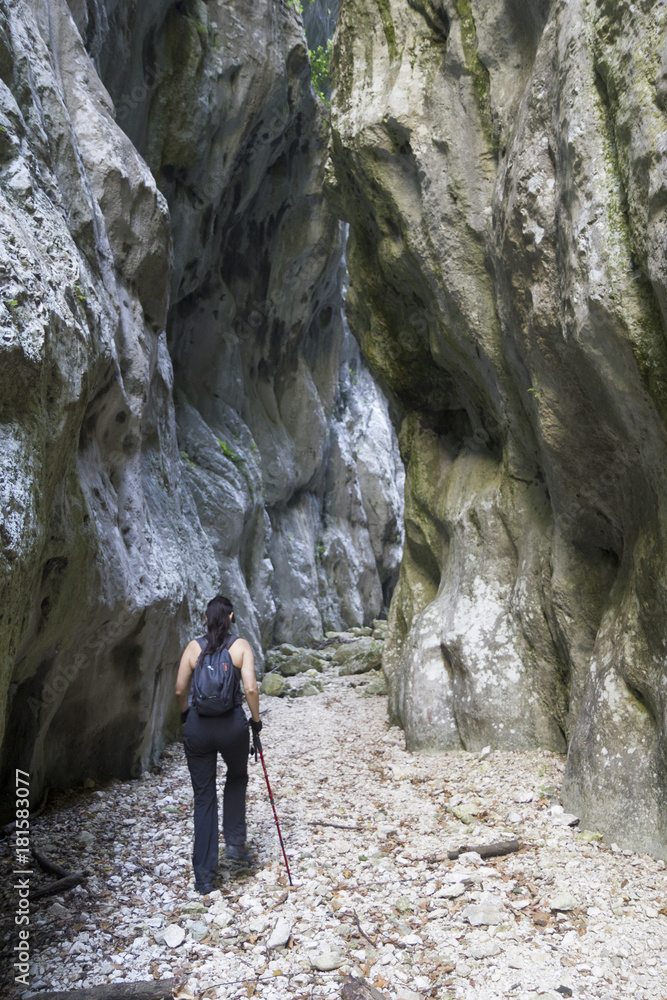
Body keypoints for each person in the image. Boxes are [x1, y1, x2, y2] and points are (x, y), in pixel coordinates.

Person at [175, 595, 262, 894]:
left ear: (205, 618)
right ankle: (236, 845)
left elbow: (179, 689)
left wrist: (186, 717)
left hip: (199, 727)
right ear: (231, 616)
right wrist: (256, 721)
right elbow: (249, 687)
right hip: (232, 727)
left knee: (203, 796)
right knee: (236, 777)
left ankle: (204, 876)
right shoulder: (240, 646)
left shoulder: (192, 648)